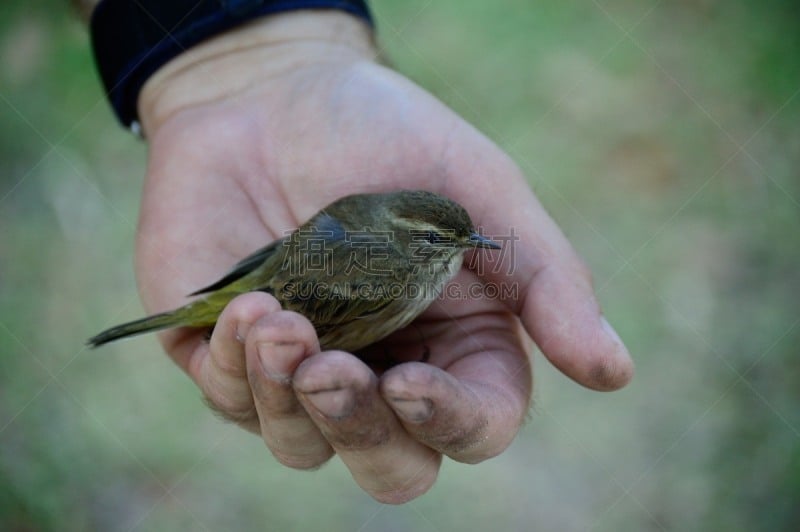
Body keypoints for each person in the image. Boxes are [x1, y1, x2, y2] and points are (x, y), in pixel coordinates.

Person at [84, 1, 633, 503]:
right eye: (441, 243)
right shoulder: (392, 278)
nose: (466, 252)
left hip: (273, 272)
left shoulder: (379, 228)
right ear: (407, 240)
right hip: (277, 296)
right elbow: (310, 314)